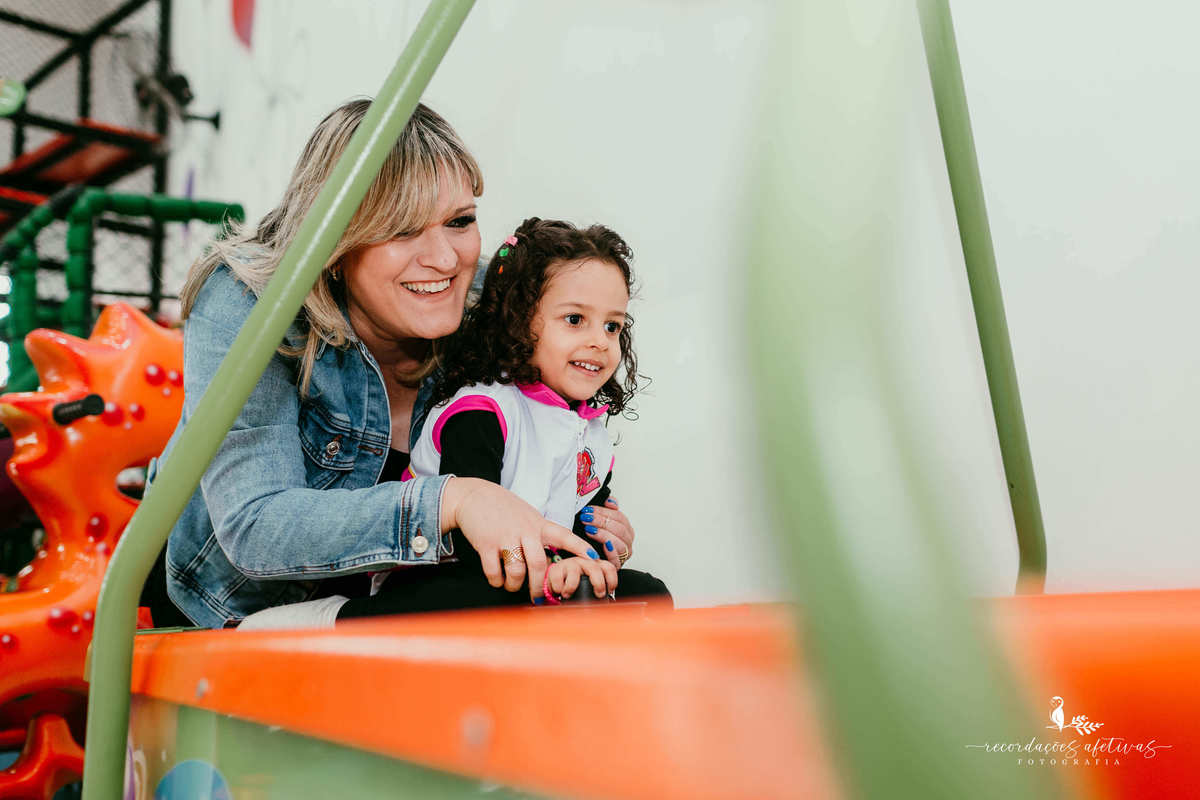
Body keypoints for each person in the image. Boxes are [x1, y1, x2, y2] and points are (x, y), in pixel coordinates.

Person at [148, 100, 627, 629]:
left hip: (400, 605)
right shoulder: (249, 302)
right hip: (235, 614)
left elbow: (550, 420)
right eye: (402, 230)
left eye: (460, 221)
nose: (445, 259)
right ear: (333, 238)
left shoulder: (491, 300)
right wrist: (453, 498)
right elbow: (256, 525)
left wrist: (585, 514)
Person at [341, 216, 670, 616]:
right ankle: (339, 618)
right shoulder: (483, 410)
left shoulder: (587, 429)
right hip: (440, 578)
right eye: (574, 320)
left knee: (651, 594)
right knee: (499, 599)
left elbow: (586, 519)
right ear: (517, 321)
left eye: (613, 326)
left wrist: (598, 558)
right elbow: (471, 537)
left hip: (528, 577)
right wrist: (553, 572)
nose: (599, 341)